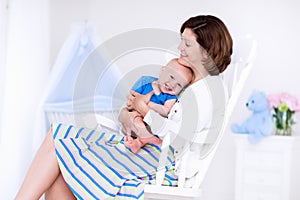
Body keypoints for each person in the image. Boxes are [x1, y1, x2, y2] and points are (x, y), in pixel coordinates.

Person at [15, 14, 233, 200]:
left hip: (162, 163)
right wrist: (130, 115)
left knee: (59, 138)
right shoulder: (186, 80)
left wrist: (142, 109)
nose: (179, 48)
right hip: (148, 149)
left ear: (205, 50)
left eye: (187, 43)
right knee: (59, 163)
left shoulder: (208, 91)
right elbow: (143, 113)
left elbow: (175, 135)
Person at [121, 58, 193, 153]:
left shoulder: (172, 96)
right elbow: (131, 100)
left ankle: (141, 140)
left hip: (153, 122)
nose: (172, 84)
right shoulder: (145, 81)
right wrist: (137, 104)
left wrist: (146, 104)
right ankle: (140, 139)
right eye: (171, 77)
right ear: (163, 70)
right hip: (136, 115)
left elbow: (166, 110)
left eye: (179, 85)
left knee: (149, 125)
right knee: (130, 116)